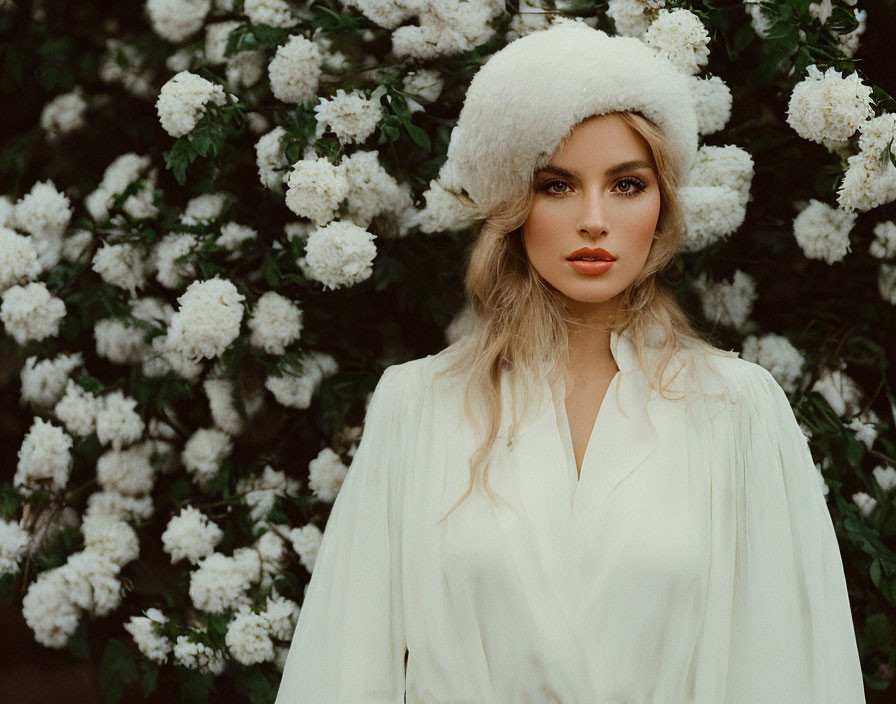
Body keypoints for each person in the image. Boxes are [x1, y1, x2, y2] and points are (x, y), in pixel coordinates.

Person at [274, 20, 866, 704]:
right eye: (557, 186)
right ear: (513, 205)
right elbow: (344, 672)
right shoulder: (417, 405)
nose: (593, 219)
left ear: (662, 203)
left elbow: (788, 670)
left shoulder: (738, 409)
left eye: (626, 185)